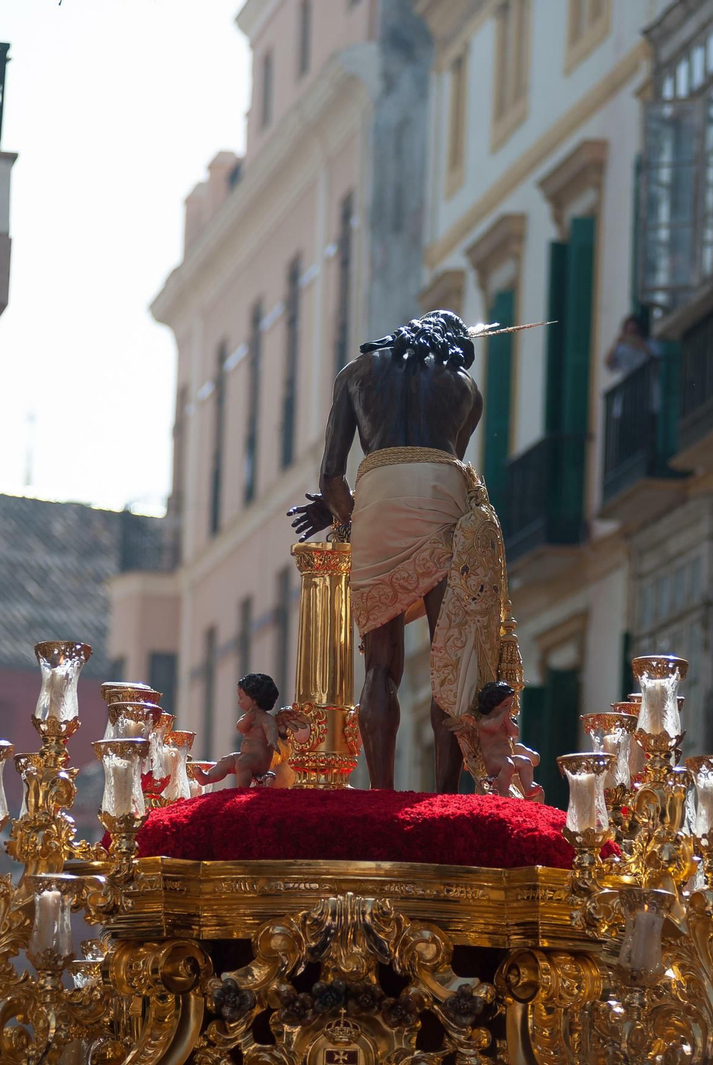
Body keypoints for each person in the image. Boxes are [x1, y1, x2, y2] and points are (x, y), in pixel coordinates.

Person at [288, 310, 512, 793]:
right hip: (441, 499)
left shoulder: (355, 373)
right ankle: (446, 795)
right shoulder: (465, 388)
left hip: (378, 502)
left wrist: (346, 515)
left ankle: (381, 792)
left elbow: (330, 478)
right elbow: (452, 458)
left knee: (380, 665)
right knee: (448, 657)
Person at [196, 673, 282, 789]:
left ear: (254, 700)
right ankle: (207, 777)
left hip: (259, 760)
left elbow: (271, 728)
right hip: (246, 756)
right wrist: (248, 719)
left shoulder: (265, 718)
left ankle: (242, 789)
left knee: (242, 764)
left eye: (241, 697)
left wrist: (272, 740)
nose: (239, 702)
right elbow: (240, 727)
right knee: (227, 761)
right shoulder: (248, 716)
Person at [467, 681, 541, 800]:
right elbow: (493, 727)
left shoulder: (504, 722)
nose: (508, 709)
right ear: (493, 705)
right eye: (505, 705)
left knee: (526, 762)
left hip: (507, 758)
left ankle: (528, 786)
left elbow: (514, 733)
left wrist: (507, 720)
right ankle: (503, 791)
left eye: (510, 705)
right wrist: (503, 716)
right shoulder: (485, 722)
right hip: (494, 761)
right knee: (508, 765)